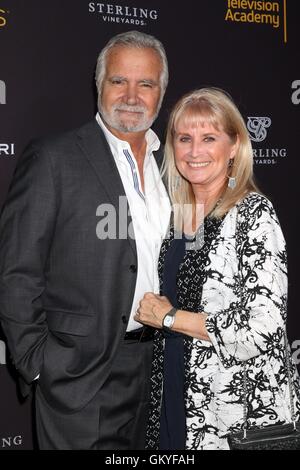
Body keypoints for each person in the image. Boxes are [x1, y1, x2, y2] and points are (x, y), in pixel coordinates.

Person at [0, 30, 171, 450]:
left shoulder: (174, 166)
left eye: (145, 83)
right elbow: (17, 272)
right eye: (119, 81)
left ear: (161, 92)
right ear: (99, 85)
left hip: (161, 368)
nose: (132, 95)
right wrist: (39, 364)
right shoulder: (54, 158)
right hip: (81, 374)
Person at [135, 88, 300, 450]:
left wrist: (169, 318)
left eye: (209, 138)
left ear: (234, 147)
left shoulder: (253, 214)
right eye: (184, 138)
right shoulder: (179, 216)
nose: (194, 151)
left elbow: (263, 327)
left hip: (231, 412)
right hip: (174, 389)